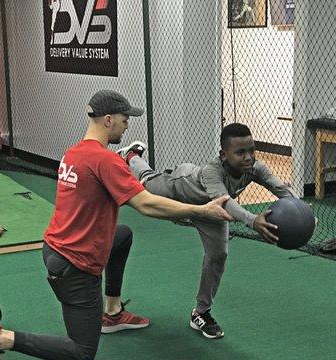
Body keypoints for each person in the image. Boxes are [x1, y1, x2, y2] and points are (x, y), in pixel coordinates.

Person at [0, 90, 233, 360]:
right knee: (81, 351)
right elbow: (146, 204)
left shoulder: (75, 152)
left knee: (122, 235)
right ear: (108, 120)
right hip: (75, 265)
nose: (127, 124)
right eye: (124, 118)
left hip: (56, 248)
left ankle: (113, 312)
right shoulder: (104, 161)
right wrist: (202, 210)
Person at [116, 122, 295, 339]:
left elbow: (281, 189)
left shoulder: (256, 168)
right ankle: (132, 156)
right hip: (179, 190)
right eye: (240, 152)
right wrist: (252, 220)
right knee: (146, 182)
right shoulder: (212, 171)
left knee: (218, 255)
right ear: (223, 155)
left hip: (210, 212)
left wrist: (301, 210)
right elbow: (227, 203)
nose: (248, 157)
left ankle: (200, 313)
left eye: (251, 150)